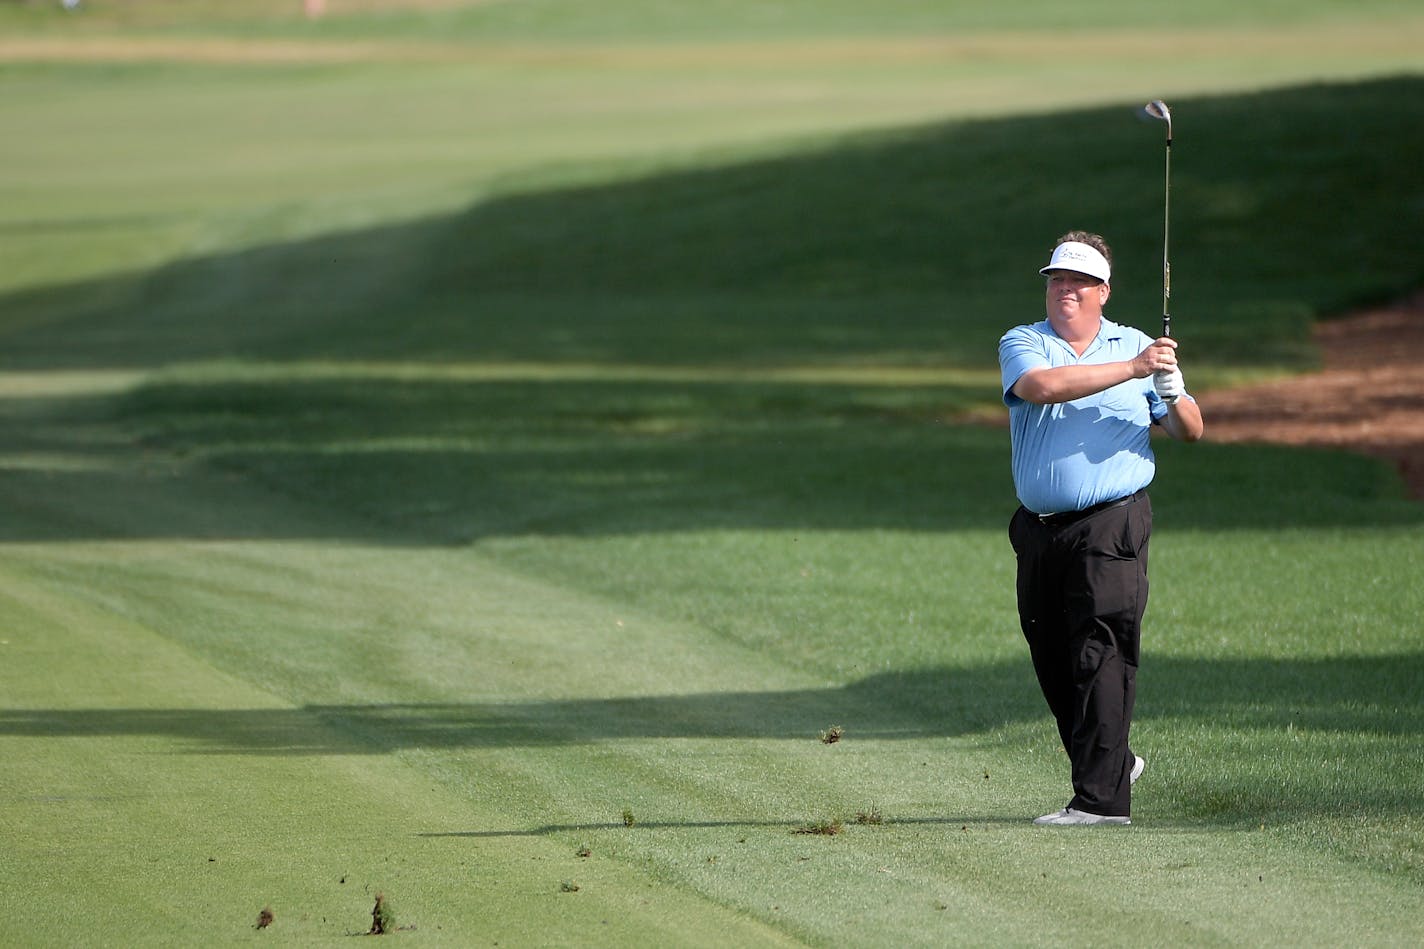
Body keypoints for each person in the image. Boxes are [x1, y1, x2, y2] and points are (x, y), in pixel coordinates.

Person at [998, 230, 1203, 826]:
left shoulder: (1139, 346)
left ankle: (1101, 801)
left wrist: (1171, 389)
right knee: (1052, 656)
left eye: (1079, 280)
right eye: (1057, 279)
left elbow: (1189, 429)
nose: (1065, 288)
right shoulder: (1024, 343)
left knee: (1100, 651)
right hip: (1039, 529)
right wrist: (1135, 369)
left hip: (1112, 524)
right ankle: (1114, 761)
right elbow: (1041, 388)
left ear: (1102, 291)